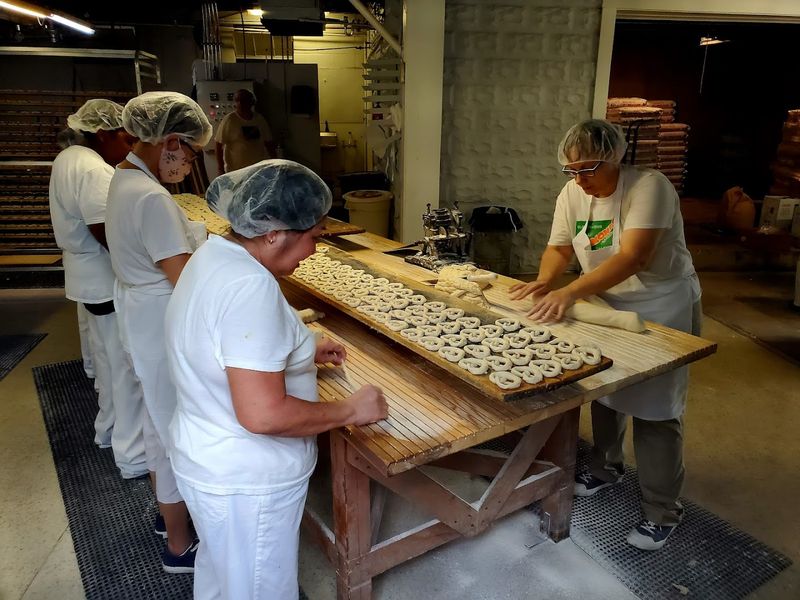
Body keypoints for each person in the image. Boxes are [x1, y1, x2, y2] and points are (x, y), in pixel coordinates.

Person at [164, 159, 388, 599]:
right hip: (246, 480)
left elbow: (220, 344)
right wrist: (350, 408)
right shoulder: (251, 288)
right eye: (314, 237)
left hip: (206, 457)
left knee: (225, 579)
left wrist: (299, 348)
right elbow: (262, 414)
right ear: (274, 233)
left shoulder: (213, 255)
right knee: (258, 589)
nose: (314, 252)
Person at [509, 119, 702, 551]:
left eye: (590, 169)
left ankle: (662, 510)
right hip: (605, 301)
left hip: (660, 302)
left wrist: (571, 291)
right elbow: (560, 248)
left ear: (614, 157)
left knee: (656, 408)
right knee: (603, 387)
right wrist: (544, 281)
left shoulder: (649, 187)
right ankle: (606, 466)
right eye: (572, 171)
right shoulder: (573, 192)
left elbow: (635, 256)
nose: (580, 179)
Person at [106, 91, 212, 572]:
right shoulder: (151, 197)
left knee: (155, 422)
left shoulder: (124, 178)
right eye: (188, 152)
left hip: (136, 312)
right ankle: (179, 545)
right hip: (157, 320)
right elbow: (183, 277)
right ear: (169, 141)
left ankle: (166, 515)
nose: (188, 163)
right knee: (175, 432)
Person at [48, 99, 147, 479]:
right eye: (125, 136)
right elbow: (103, 229)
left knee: (107, 363)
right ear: (103, 133)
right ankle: (133, 455)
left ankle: (107, 431)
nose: (130, 143)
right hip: (103, 278)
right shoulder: (94, 170)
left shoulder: (68, 158)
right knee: (125, 369)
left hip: (86, 277)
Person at [214, 88, 275, 174]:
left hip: (257, 170)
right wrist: (220, 168)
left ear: (251, 102)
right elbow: (218, 144)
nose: (240, 103)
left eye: (244, 100)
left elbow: (269, 143)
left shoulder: (259, 119)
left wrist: (275, 162)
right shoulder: (230, 120)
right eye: (238, 100)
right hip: (235, 171)